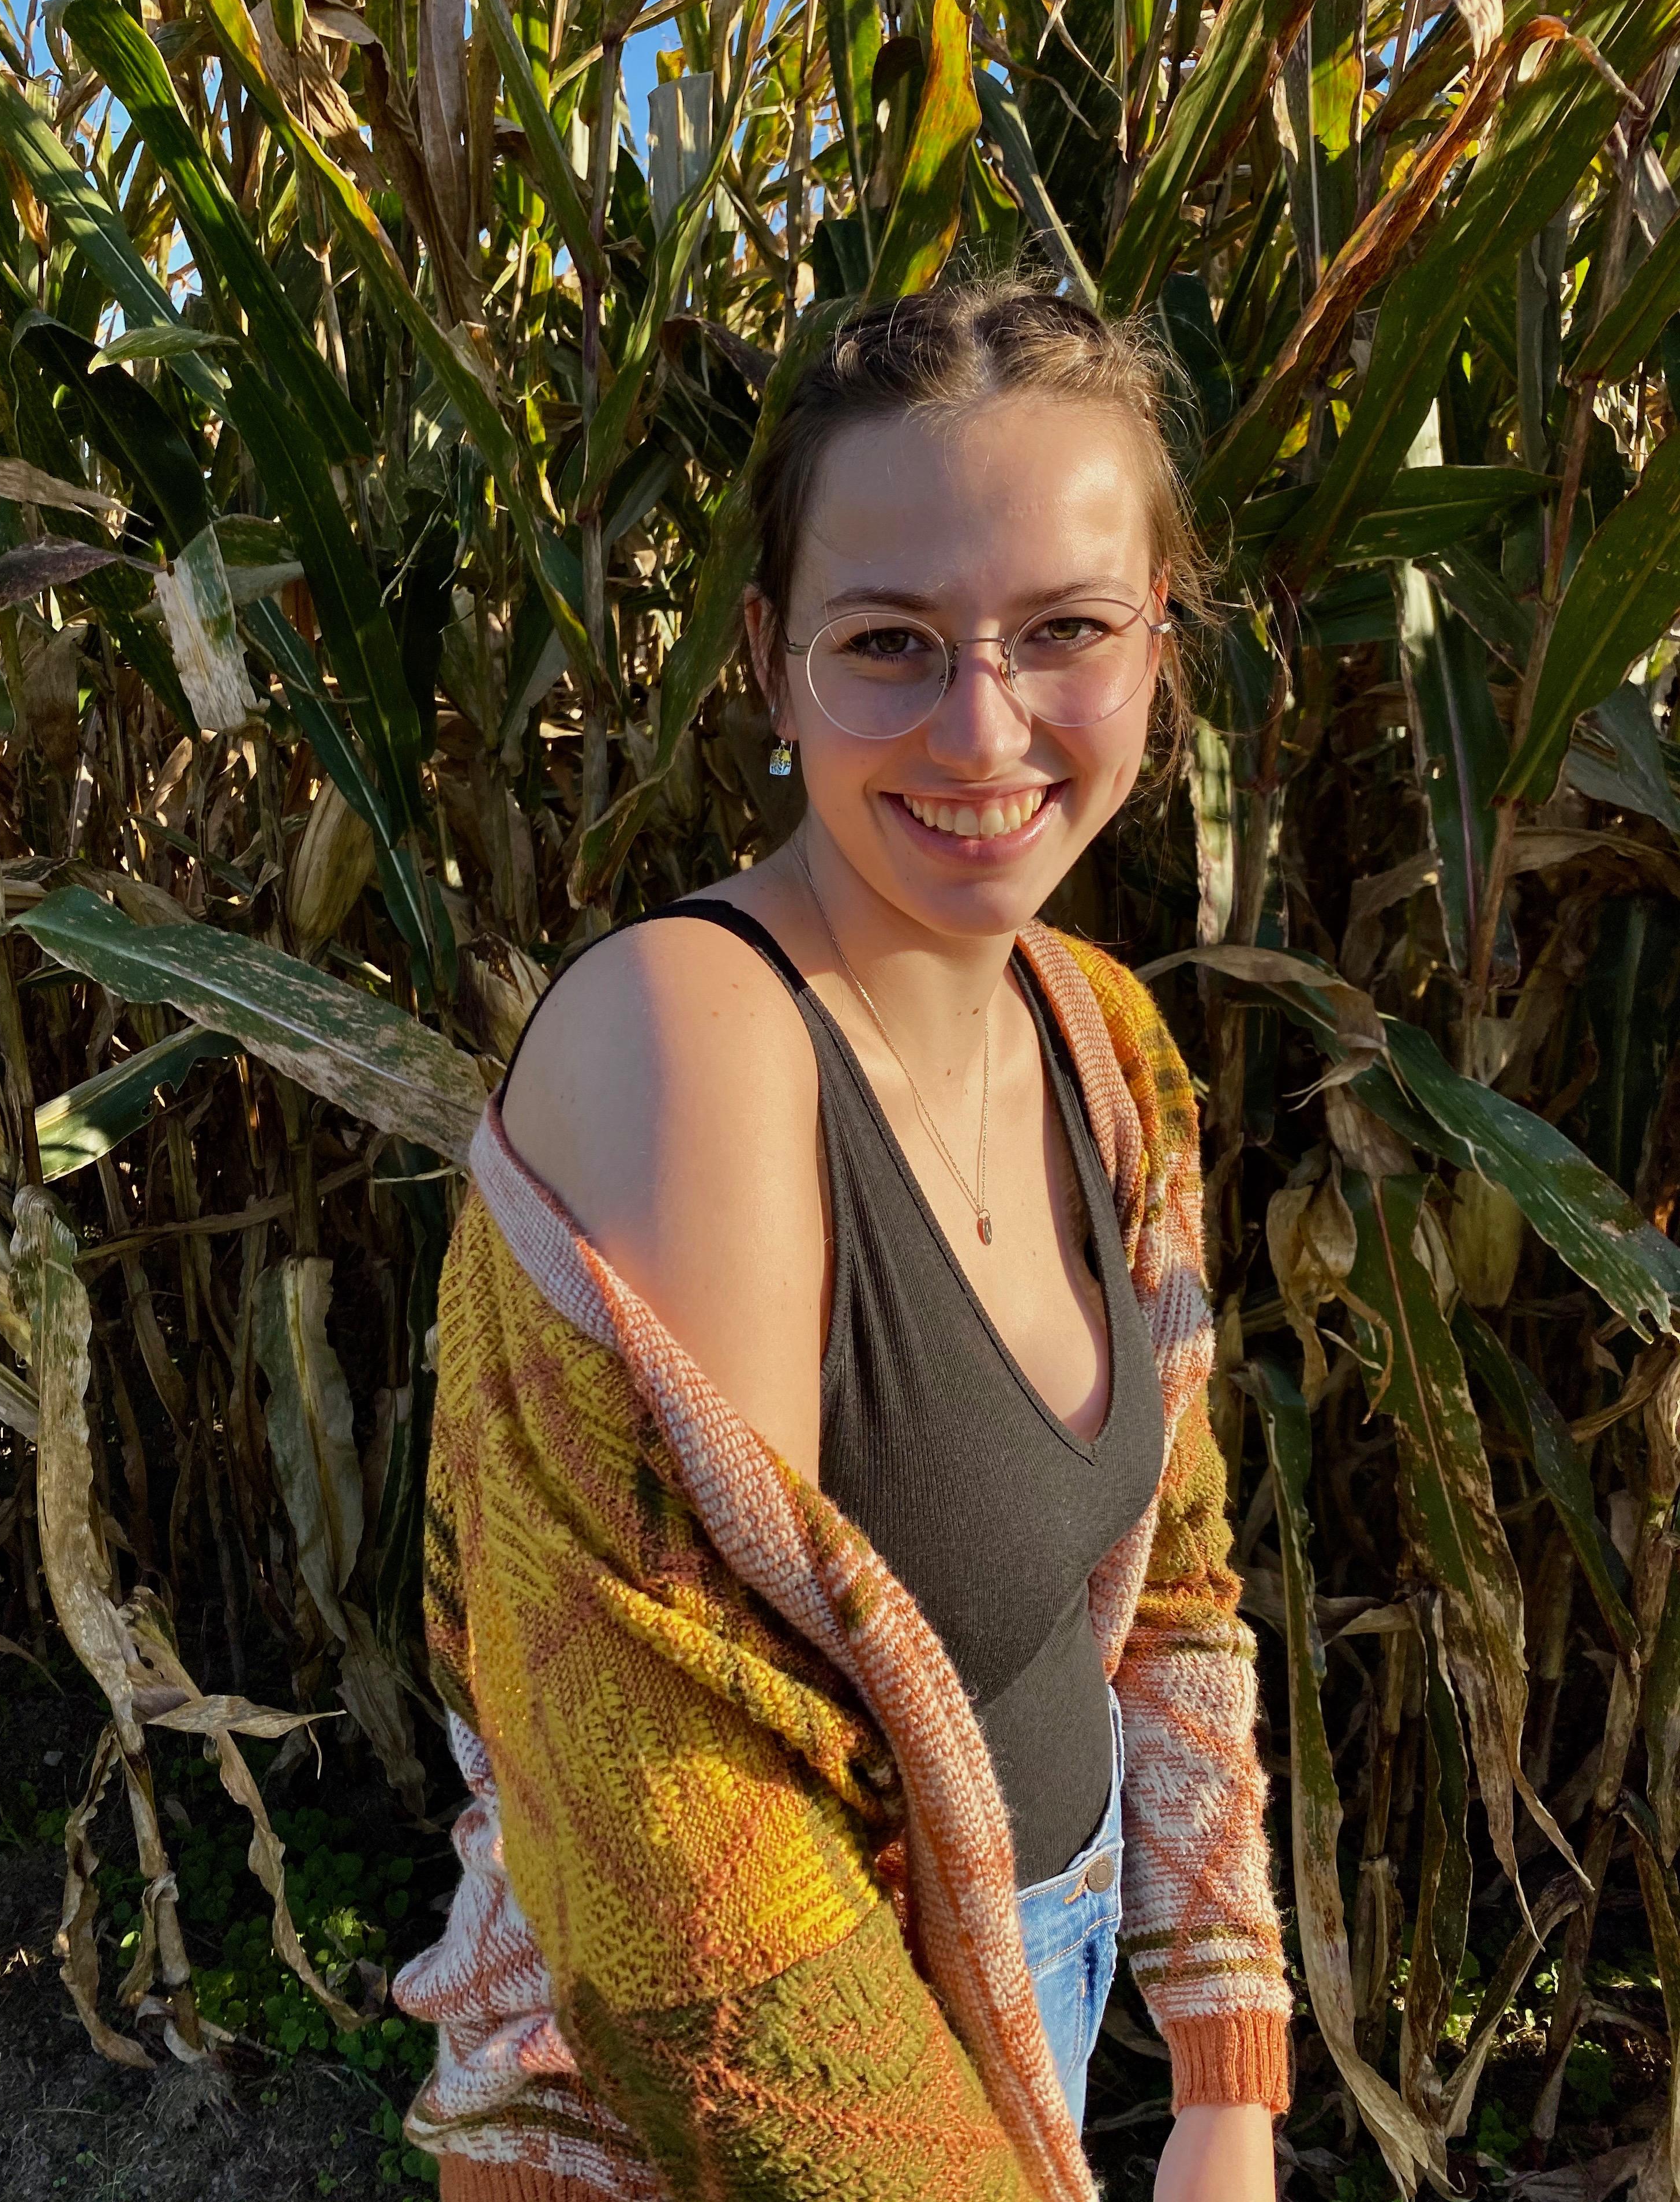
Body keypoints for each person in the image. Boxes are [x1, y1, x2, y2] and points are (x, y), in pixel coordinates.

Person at [395, 281, 1291, 2202]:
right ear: (769, 659)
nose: (985, 724)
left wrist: (1224, 2072)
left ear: (1163, 651)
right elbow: (671, 1850)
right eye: (890, 642)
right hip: (695, 2124)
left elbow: (1182, 1585)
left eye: (1065, 630)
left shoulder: (1108, 1047)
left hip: (1018, 2036)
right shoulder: (688, 1042)